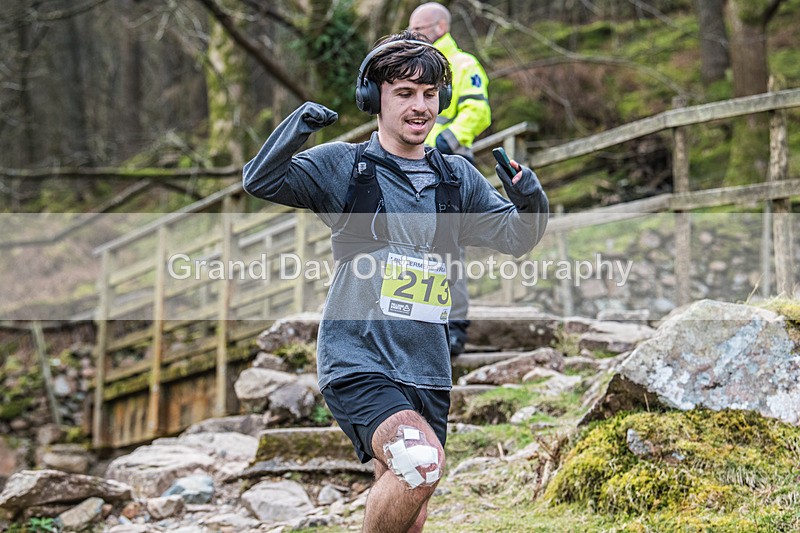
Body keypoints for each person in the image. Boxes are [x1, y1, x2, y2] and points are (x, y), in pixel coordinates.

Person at [243, 31, 548, 533]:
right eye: (404, 93)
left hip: (427, 366)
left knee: (413, 507)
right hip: (357, 356)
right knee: (420, 463)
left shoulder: (457, 178)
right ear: (374, 98)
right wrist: (297, 129)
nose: (420, 106)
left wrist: (532, 201)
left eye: (430, 95)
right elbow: (261, 180)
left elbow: (517, 238)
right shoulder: (344, 166)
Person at [409, 2, 492, 356]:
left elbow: (479, 110)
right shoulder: (410, 67)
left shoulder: (462, 65)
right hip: (412, 165)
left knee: (448, 247)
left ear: (440, 26)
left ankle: (454, 327)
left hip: (447, 164)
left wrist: (445, 141)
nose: (413, 36)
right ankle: (418, 320)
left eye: (419, 30)